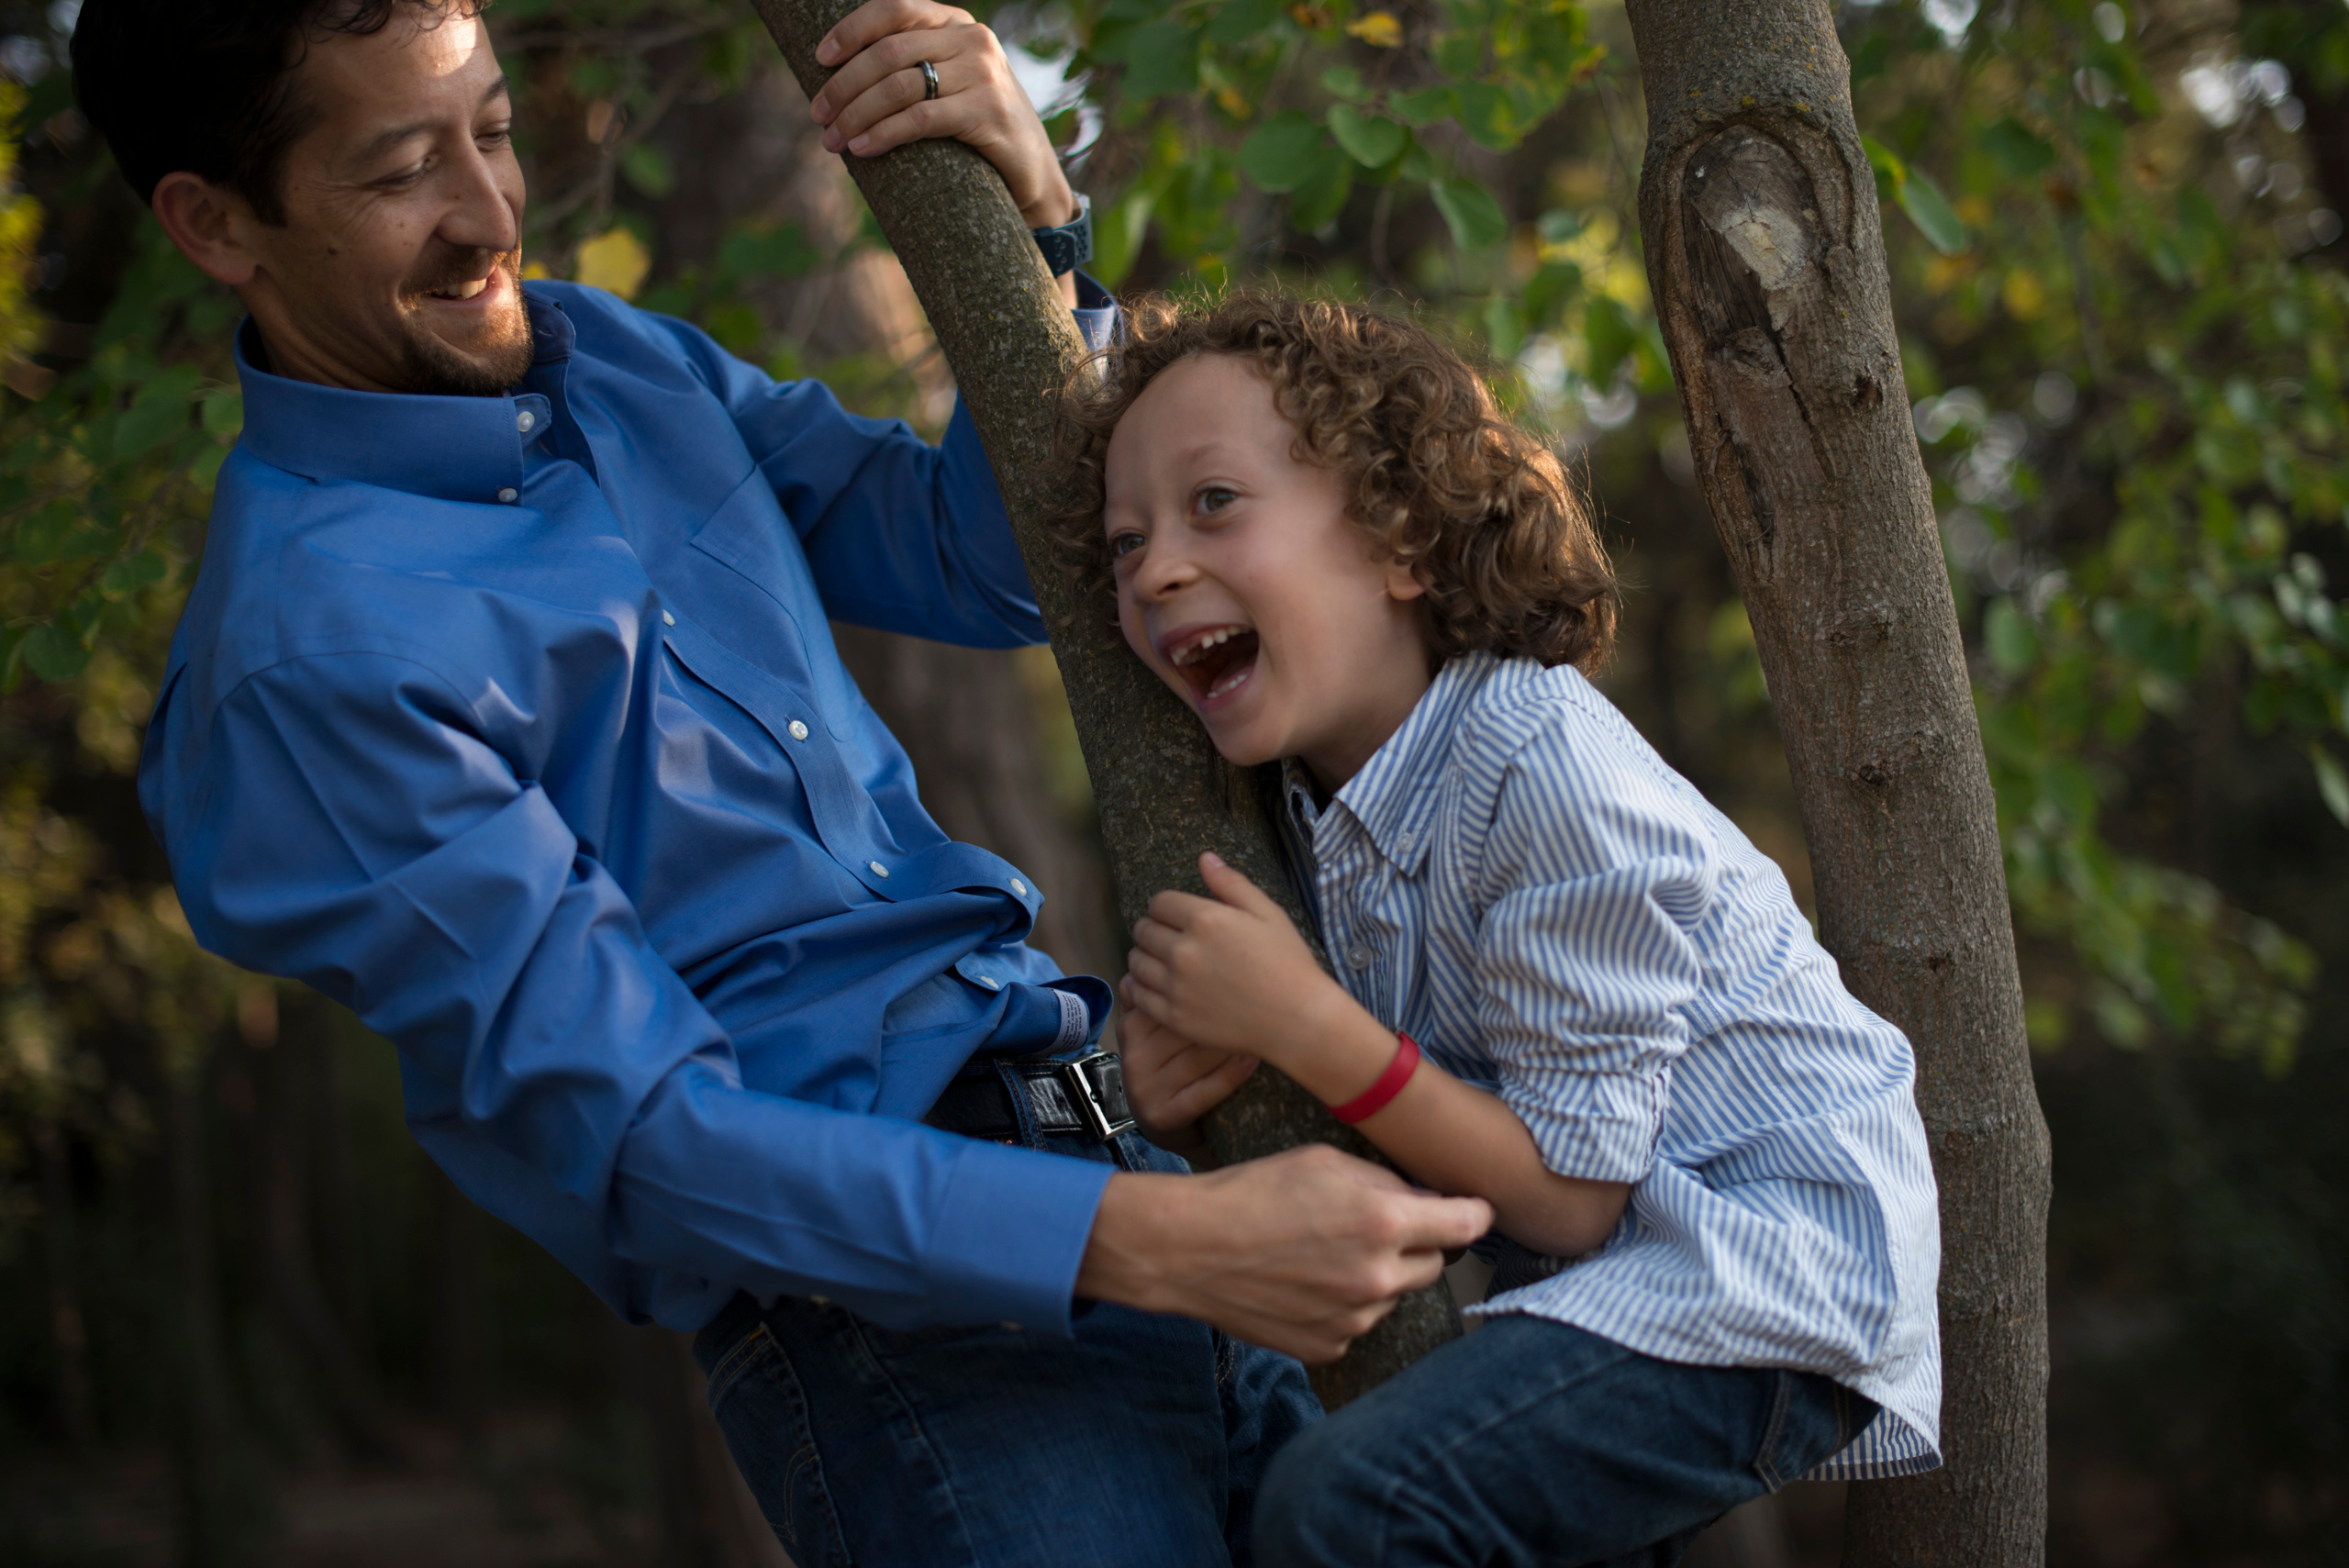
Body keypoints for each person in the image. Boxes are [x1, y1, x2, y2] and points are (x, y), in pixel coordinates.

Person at [79, 4, 1495, 1562]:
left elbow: (986, 558)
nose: (487, 215)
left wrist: (1037, 221)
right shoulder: (305, 660)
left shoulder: (607, 359)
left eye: (490, 130)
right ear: (216, 224)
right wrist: (1165, 1244)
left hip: (1126, 1150)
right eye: (403, 169)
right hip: (920, 1333)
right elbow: (654, 1145)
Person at [1057, 292, 1944, 1566]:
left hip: (1763, 1265)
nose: (1153, 569)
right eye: (1126, 540)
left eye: (1213, 504)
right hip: (1601, 1287)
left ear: (1401, 537)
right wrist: (1178, 1105)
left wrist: (1305, 1023)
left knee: (1349, 1505)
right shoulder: (1310, 810)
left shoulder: (1537, 766)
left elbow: (1573, 1198)